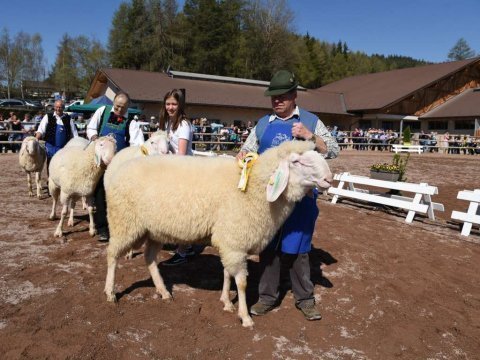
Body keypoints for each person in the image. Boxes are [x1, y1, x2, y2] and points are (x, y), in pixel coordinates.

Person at [237, 70, 339, 321]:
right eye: (273, 97)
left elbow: (334, 150)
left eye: (282, 96)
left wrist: (311, 137)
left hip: (300, 198)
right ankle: (267, 297)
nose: (277, 101)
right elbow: (246, 150)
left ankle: (305, 298)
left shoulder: (311, 121)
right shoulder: (263, 124)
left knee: (299, 248)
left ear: (294, 95)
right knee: (269, 249)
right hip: (269, 198)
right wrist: (242, 156)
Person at [86, 92, 145, 241]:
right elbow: (91, 129)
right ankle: (102, 229)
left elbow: (136, 144)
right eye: (117, 106)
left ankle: (119, 228)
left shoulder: (132, 122)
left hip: (119, 165)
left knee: (118, 197)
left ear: (127, 107)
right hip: (100, 163)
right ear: (113, 103)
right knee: (99, 193)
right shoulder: (102, 111)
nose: (119, 110)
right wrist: (96, 140)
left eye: (123, 108)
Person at [158, 89, 202, 266]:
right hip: (173, 169)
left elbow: (182, 154)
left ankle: (182, 252)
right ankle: (188, 246)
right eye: (168, 103)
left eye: (174, 104)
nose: (170, 107)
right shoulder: (168, 122)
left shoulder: (183, 124)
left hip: (183, 172)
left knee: (182, 212)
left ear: (180, 105)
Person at [35, 100, 78, 174]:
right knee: (51, 164)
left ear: (63, 108)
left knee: (63, 165)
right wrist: (36, 138)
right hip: (51, 146)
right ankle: (50, 180)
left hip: (64, 147)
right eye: (57, 107)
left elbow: (74, 133)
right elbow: (41, 130)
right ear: (54, 107)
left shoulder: (68, 118)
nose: (58, 109)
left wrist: (77, 144)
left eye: (60, 107)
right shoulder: (48, 116)